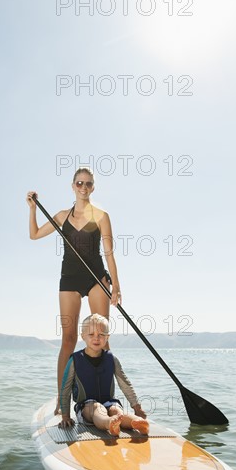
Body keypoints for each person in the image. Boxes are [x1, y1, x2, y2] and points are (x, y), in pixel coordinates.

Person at [26, 168, 122, 413]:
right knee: (68, 339)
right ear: (73, 186)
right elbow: (34, 235)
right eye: (79, 183)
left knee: (102, 340)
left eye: (88, 184)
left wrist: (116, 286)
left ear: (93, 187)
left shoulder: (101, 216)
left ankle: (107, 400)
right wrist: (33, 208)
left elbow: (109, 253)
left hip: (96, 278)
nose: (83, 187)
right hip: (69, 278)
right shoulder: (61, 216)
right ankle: (62, 400)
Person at [59, 314, 149, 436]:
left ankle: (137, 422)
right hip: (86, 407)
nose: (96, 338)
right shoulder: (75, 360)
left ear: (107, 337)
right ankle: (109, 423)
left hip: (109, 402)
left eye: (101, 335)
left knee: (116, 411)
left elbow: (125, 384)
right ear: (83, 336)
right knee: (96, 408)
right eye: (91, 334)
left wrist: (137, 407)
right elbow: (65, 388)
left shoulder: (112, 359)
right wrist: (65, 416)